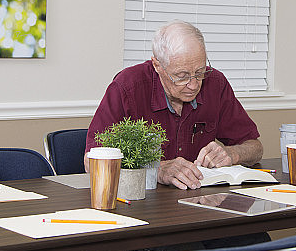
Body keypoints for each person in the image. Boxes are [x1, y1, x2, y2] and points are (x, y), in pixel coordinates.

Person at [85, 20, 264, 190]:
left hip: (200, 200)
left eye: (200, 72)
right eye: (181, 76)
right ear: (157, 65)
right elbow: (90, 161)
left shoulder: (216, 84)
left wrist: (232, 154)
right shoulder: (127, 87)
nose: (194, 85)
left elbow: (255, 147)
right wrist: (156, 170)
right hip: (141, 202)